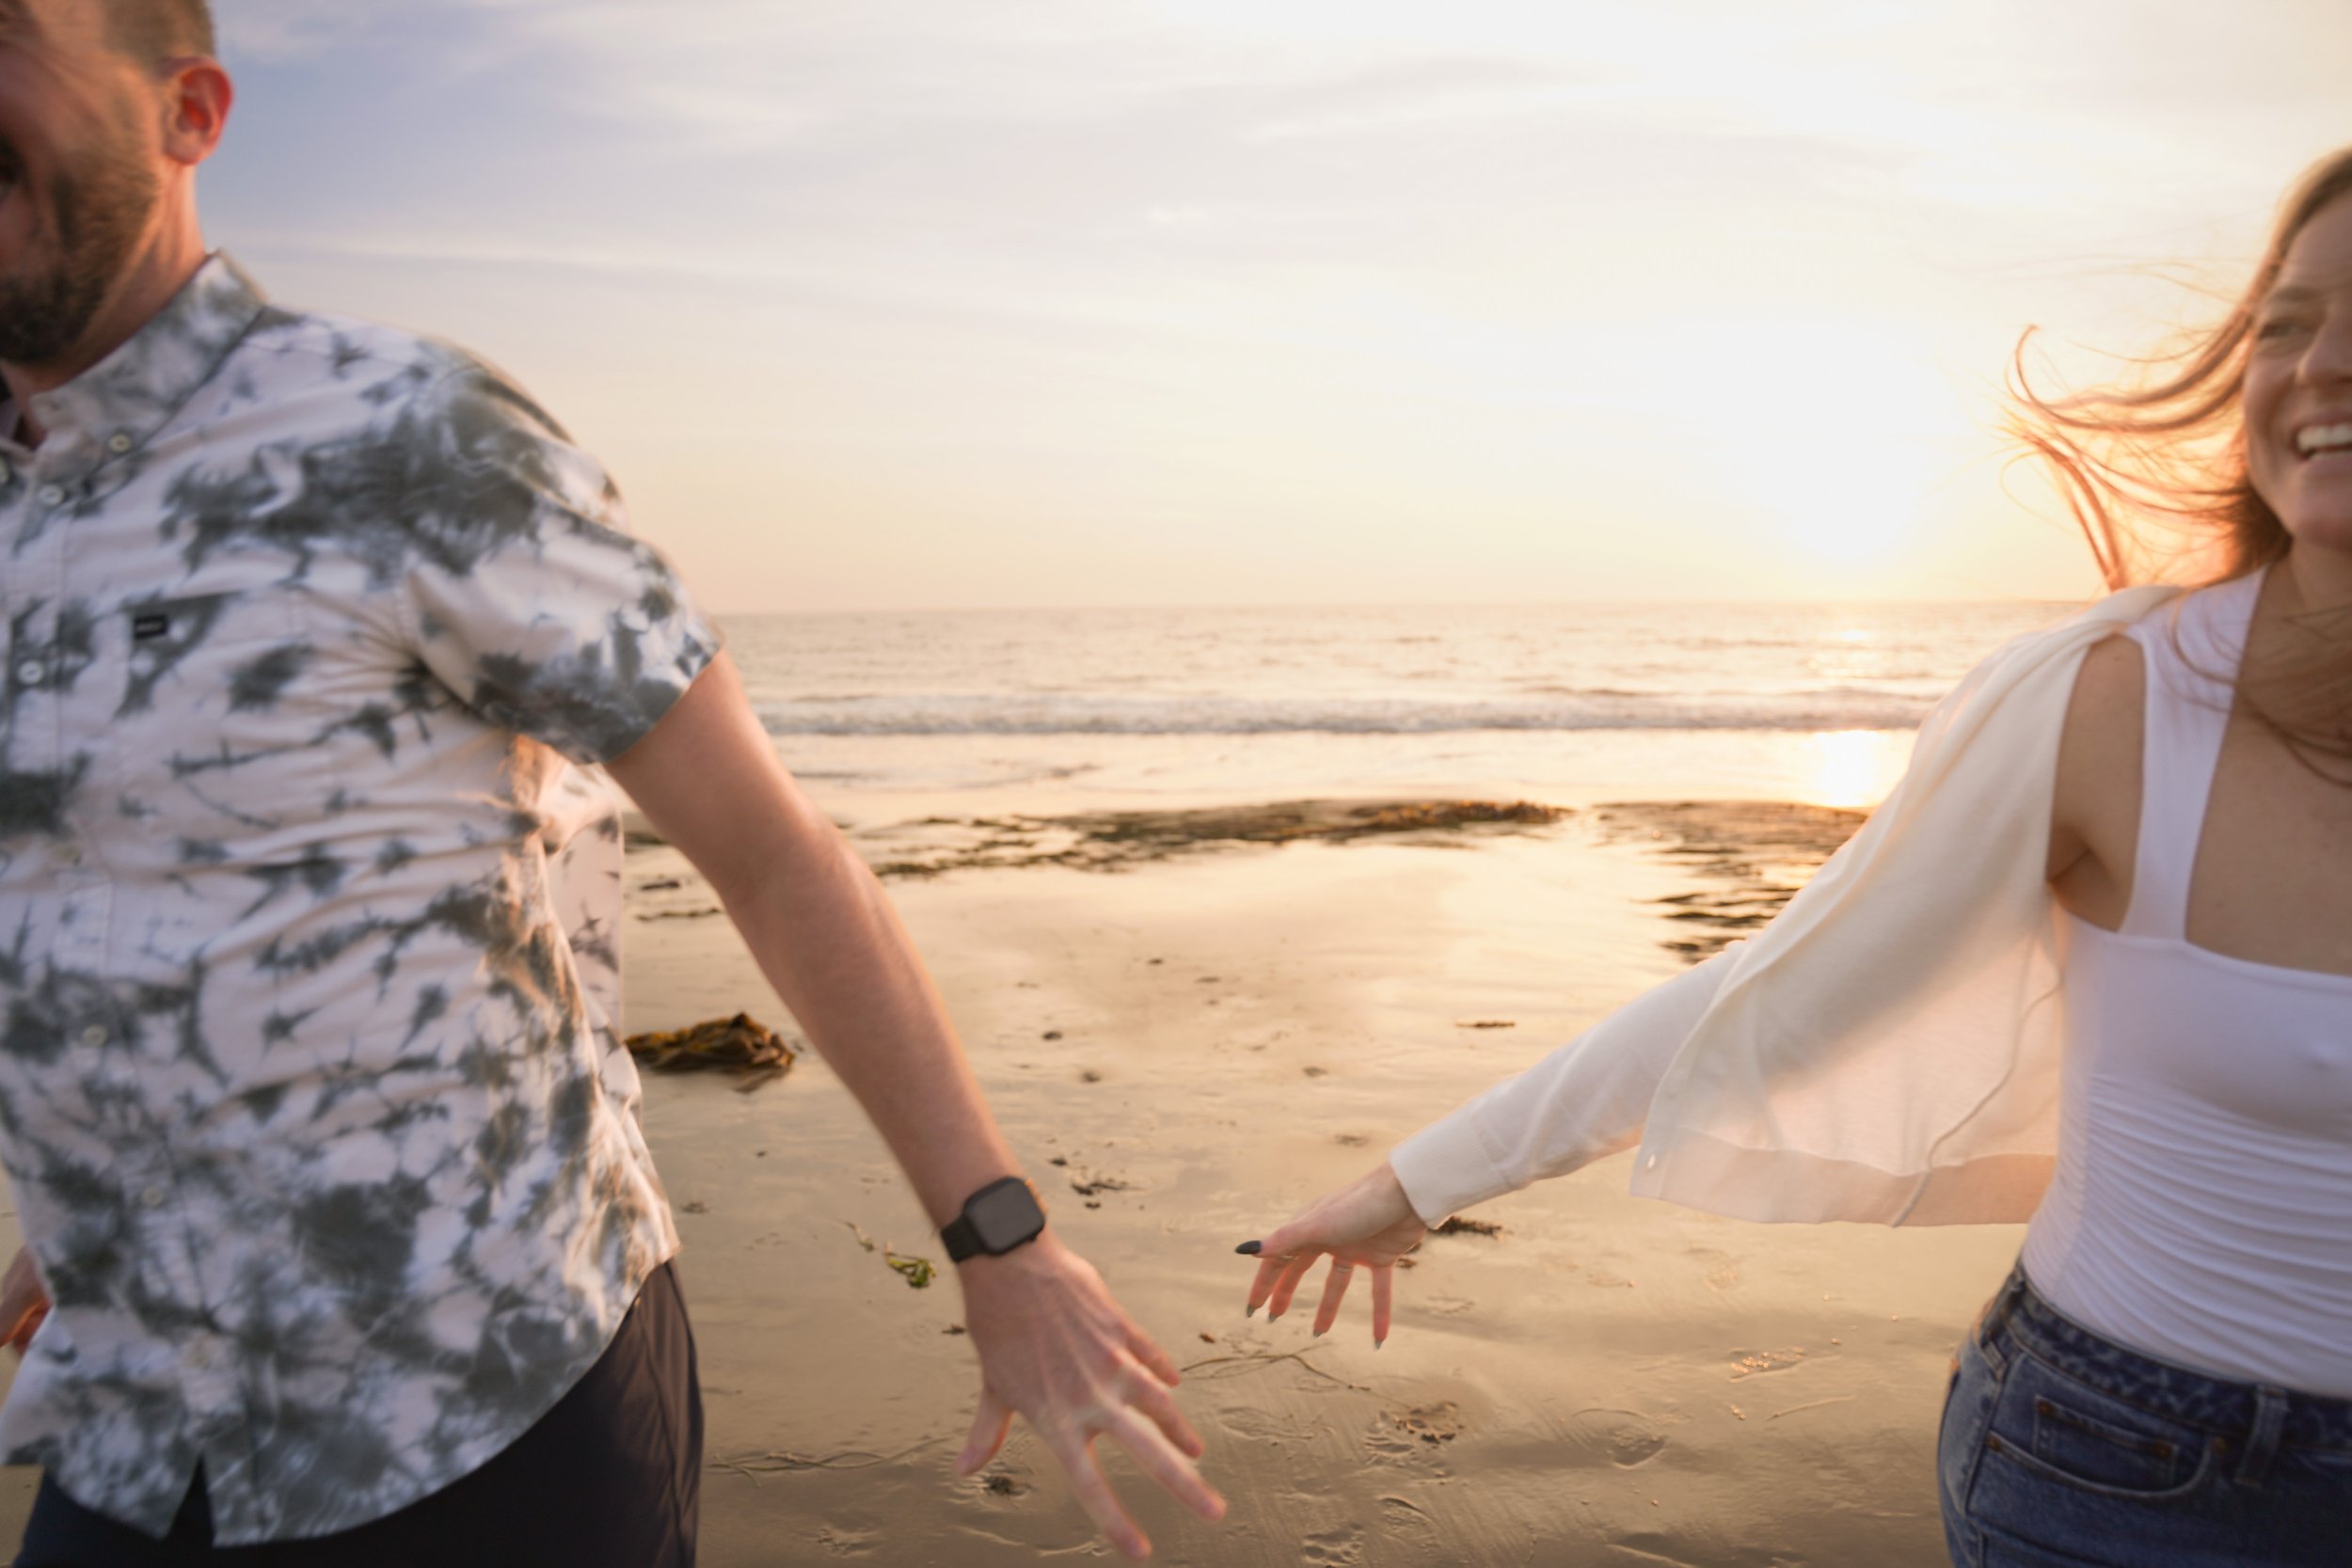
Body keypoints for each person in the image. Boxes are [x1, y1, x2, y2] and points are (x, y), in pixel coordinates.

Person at [0, 1, 1224, 1562]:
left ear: (191, 113)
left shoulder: (402, 440)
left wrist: (1003, 1244)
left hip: (483, 1405)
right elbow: (108, 874)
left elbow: (772, 851)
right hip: (130, 1413)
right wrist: (105, 1182)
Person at [1241, 146, 2352, 1567]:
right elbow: (1783, 989)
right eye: (2287, 323)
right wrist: (1410, 1185)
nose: (2319, 364)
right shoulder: (2113, 707)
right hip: (2137, 1479)